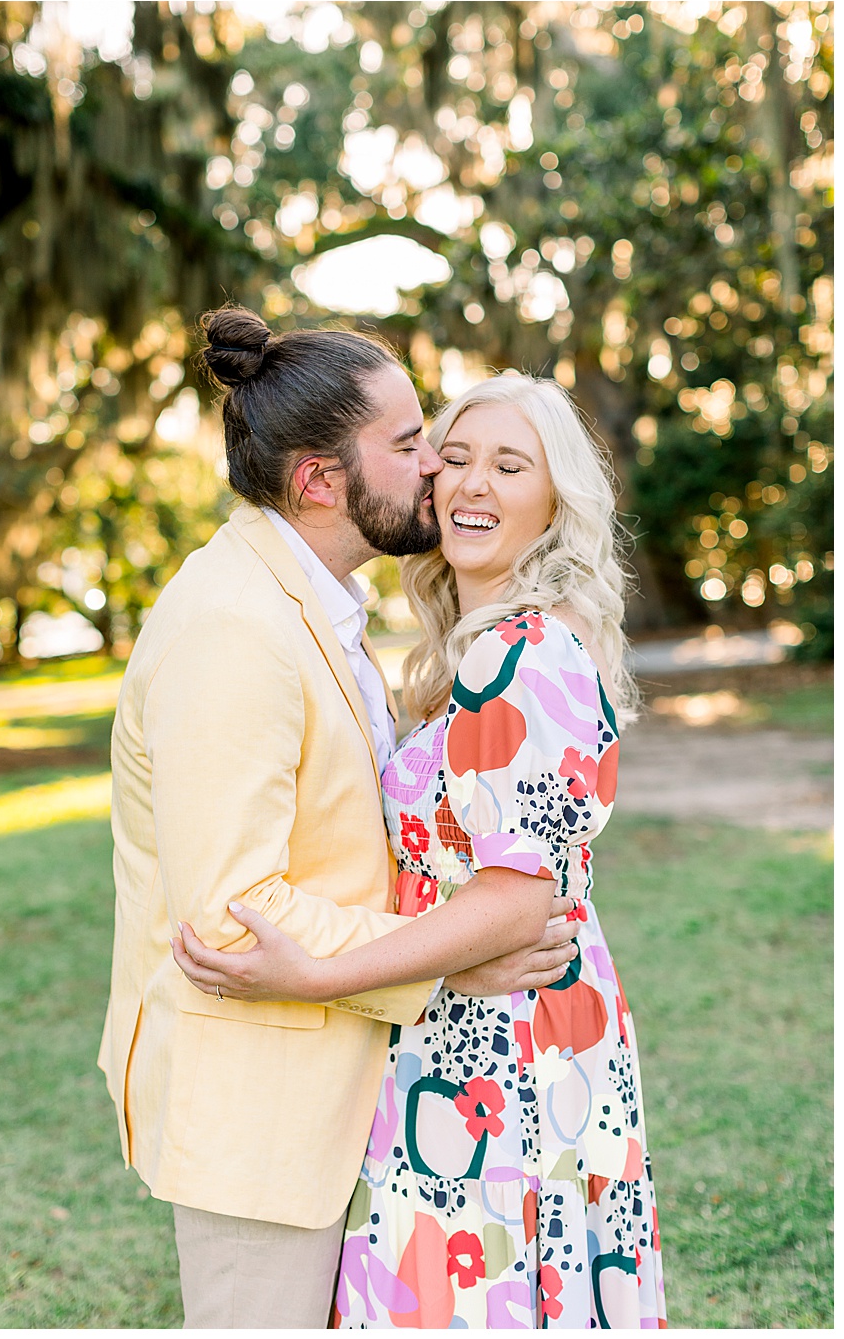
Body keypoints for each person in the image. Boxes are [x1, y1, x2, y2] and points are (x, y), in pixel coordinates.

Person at [98, 307, 584, 1328]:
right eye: (410, 446)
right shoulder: (234, 629)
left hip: (343, 1093)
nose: (438, 468)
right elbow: (232, 919)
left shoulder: (309, 601)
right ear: (321, 481)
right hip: (261, 1111)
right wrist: (440, 961)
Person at [174, 373, 667, 1327]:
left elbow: (519, 897)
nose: (473, 483)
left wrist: (319, 974)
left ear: (556, 501)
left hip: (505, 1052)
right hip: (463, 1022)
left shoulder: (524, 653)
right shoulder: (473, 650)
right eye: (456, 457)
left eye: (511, 466)